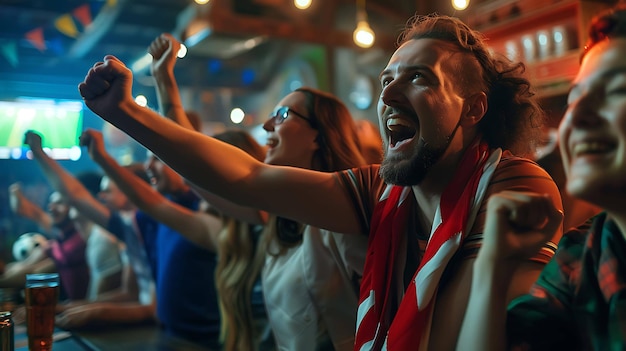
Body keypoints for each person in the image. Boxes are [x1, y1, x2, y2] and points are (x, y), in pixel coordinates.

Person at [78, 13, 563, 350]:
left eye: (419, 78)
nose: (389, 90)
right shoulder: (382, 191)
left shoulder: (512, 183)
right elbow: (247, 177)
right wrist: (123, 113)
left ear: (474, 108)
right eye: (387, 79)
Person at [149, 31, 368, 351]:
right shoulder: (279, 217)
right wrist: (163, 80)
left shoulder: (351, 210)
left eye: (281, 116)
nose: (266, 126)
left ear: (319, 135)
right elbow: (196, 169)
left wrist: (125, 108)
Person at [457, 4, 626, 350]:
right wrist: (493, 266)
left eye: (616, 91)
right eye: (574, 99)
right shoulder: (581, 259)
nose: (576, 118)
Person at [78, 129, 220, 349]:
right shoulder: (148, 219)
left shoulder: (191, 212)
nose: (148, 165)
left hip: (205, 341)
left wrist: (97, 311)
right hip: (171, 335)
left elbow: (148, 304)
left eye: (157, 158)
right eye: (147, 158)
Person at [23, 131, 125, 301]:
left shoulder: (104, 239)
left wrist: (39, 152)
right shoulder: (89, 236)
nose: (65, 199)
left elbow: (94, 306)